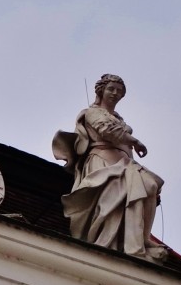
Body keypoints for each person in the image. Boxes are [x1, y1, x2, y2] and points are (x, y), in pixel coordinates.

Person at [54, 74, 165, 261]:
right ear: (101, 91)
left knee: (151, 186)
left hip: (125, 162)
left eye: (119, 91)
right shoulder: (92, 113)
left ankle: (143, 238)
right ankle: (116, 242)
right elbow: (107, 131)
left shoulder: (119, 119)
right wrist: (135, 142)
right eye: (111, 89)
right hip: (103, 161)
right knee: (116, 196)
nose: (115, 93)